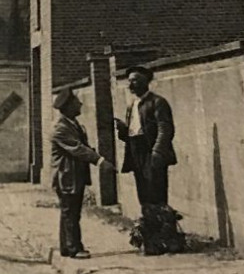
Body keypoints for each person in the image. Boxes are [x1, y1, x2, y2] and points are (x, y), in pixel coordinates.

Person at [50, 87, 113, 259]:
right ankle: (73, 248)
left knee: (70, 211)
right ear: (68, 106)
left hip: (73, 175)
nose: (80, 104)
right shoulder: (60, 128)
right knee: (70, 212)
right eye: (77, 102)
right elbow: (77, 149)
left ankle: (67, 247)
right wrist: (100, 161)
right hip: (66, 176)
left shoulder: (72, 124)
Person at [114, 66, 176, 207]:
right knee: (143, 191)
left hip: (150, 150)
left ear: (145, 82)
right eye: (129, 81)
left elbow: (165, 129)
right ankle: (148, 224)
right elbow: (132, 132)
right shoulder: (132, 105)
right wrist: (123, 130)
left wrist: (157, 152)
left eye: (135, 81)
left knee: (156, 191)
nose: (130, 85)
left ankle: (162, 225)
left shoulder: (157, 102)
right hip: (136, 151)